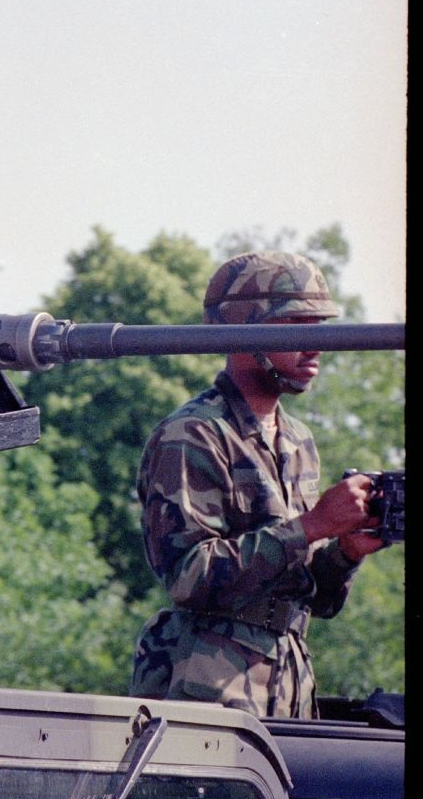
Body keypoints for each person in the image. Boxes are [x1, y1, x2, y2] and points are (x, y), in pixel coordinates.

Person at [128, 251, 386, 720]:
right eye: (297, 328)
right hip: (208, 684)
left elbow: (308, 597)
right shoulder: (192, 435)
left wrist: (346, 551)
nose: (316, 347)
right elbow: (189, 578)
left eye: (320, 328)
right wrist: (311, 525)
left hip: (288, 683)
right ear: (245, 332)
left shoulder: (298, 440)